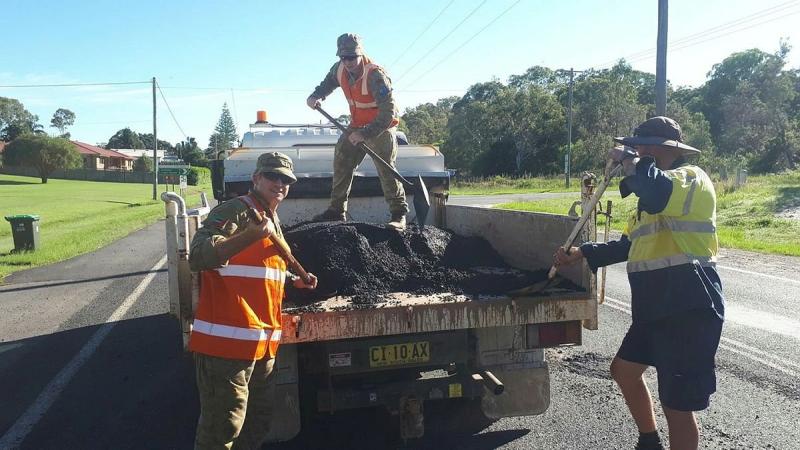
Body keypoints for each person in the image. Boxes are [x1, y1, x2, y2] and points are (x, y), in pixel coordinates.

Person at [553, 116, 724, 450]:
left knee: (677, 405)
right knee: (624, 370)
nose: (636, 150)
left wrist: (629, 161)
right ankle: (649, 440)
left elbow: (657, 190)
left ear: (663, 149)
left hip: (688, 304)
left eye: (641, 145)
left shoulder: (690, 179)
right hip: (655, 308)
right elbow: (627, 245)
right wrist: (583, 252)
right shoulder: (647, 204)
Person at [188, 152, 318, 450]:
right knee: (222, 429)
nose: (279, 183)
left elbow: (261, 272)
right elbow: (199, 256)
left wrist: (292, 280)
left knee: (258, 421)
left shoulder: (272, 218)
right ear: (256, 178)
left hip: (262, 346)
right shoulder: (235, 211)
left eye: (286, 179)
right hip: (226, 346)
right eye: (272, 176)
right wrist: (250, 236)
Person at [306, 33, 408, 230]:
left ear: (360, 53)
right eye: (343, 57)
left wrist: (364, 133)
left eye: (352, 57)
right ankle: (336, 211)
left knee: (386, 168)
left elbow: (388, 114)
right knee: (342, 158)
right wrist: (316, 95)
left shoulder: (376, 75)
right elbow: (328, 82)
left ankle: (398, 214)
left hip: (381, 127)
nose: (348, 61)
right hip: (356, 124)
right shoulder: (339, 69)